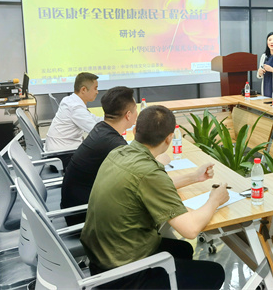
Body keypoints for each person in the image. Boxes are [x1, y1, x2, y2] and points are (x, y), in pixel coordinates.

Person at [80, 105, 227, 289]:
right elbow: (190, 229)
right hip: (123, 275)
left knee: (183, 249)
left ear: (135, 130)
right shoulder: (149, 173)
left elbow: (147, 185)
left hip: (102, 258)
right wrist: (215, 199)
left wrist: (194, 177)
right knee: (214, 273)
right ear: (169, 138)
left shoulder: (119, 153)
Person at [60, 86, 161, 226]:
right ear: (128, 115)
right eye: (135, 110)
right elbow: (147, 181)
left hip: (75, 208)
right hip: (85, 217)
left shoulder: (101, 129)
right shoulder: (114, 144)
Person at [45, 72, 103, 152]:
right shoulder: (76, 107)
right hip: (63, 153)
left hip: (60, 147)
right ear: (83, 89)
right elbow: (97, 132)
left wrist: (112, 120)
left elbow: (92, 118)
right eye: (95, 88)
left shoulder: (69, 100)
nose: (97, 92)